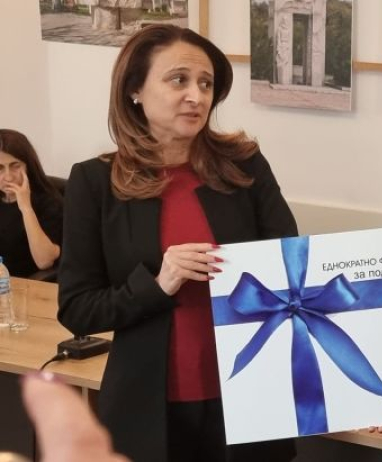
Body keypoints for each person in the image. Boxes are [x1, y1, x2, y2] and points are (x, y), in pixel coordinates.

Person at [57, 25, 297, 462]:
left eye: (206, 84)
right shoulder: (94, 183)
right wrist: (157, 284)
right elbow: (78, 309)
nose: (196, 96)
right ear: (134, 89)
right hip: (147, 408)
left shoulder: (245, 167)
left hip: (251, 397)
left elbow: (294, 273)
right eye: (178, 80)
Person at [0, 129, 63, 277]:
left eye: (15, 166)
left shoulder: (50, 202)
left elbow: (44, 261)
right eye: (0, 168)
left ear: (28, 166)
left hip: (28, 284)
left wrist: (26, 208)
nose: (8, 177)